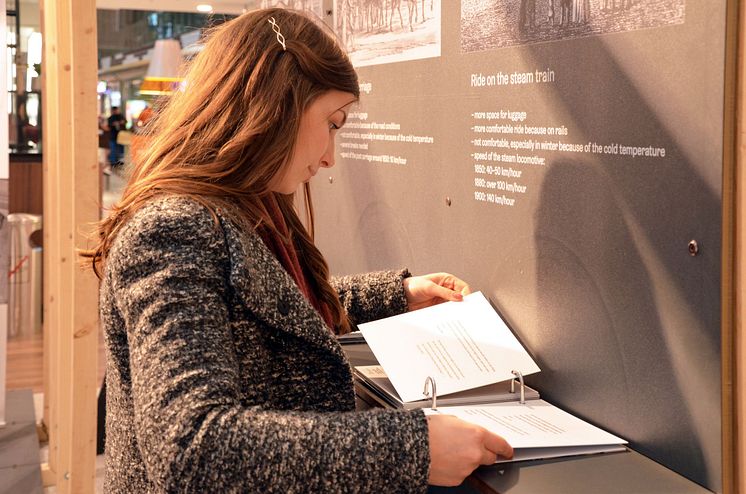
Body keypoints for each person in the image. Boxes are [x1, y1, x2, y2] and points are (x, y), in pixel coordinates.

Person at [82, 8, 513, 493]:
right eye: (331, 123)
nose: (330, 156)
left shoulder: (245, 204)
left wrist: (397, 294)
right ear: (276, 107)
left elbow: (269, 315)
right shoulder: (174, 228)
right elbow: (189, 449)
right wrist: (413, 448)